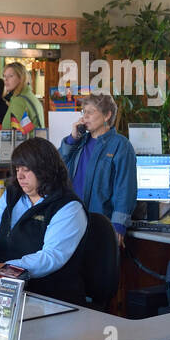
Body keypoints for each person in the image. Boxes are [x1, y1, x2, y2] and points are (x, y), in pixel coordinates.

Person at [0, 138, 88, 304]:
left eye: (26, 169)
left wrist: (6, 268)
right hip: (2, 291)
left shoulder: (69, 207)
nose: (20, 176)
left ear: (45, 170)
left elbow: (51, 257)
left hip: (48, 297)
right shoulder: (12, 194)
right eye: (17, 169)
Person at [59, 94, 137, 247]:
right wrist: (72, 139)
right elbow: (56, 165)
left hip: (101, 223)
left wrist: (119, 224)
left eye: (91, 112)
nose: (85, 117)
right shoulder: (78, 141)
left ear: (107, 115)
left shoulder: (121, 145)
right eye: (84, 112)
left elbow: (125, 188)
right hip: (71, 220)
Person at [1, 61, 44, 133]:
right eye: (4, 76)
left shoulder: (19, 101)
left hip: (25, 140)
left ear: (21, 78)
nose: (6, 79)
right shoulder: (29, 95)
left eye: (11, 76)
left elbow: (14, 134)